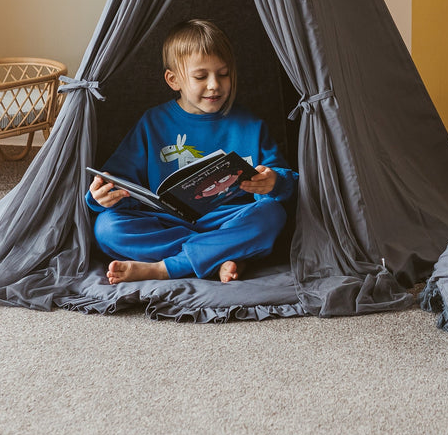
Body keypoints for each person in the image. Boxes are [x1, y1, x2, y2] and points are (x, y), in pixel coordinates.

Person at [86, 19, 297, 285]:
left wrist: (274, 182)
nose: (214, 85)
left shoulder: (251, 126)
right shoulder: (153, 122)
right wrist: (99, 196)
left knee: (272, 217)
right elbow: (116, 180)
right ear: (173, 80)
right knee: (106, 228)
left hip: (228, 220)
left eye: (223, 74)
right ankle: (218, 256)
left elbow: (287, 183)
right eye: (201, 76)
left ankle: (166, 268)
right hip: (165, 222)